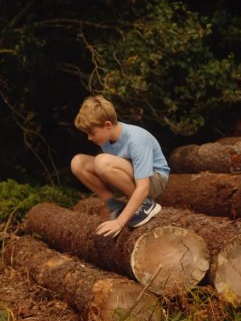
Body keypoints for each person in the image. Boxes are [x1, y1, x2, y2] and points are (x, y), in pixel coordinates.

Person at [71, 95, 170, 238]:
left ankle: (146, 205)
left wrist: (119, 222)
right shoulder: (106, 139)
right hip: (130, 176)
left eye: (92, 133)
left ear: (107, 125)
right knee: (77, 162)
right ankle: (114, 204)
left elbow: (143, 187)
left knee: (102, 161)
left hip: (153, 180)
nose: (89, 138)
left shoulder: (136, 139)